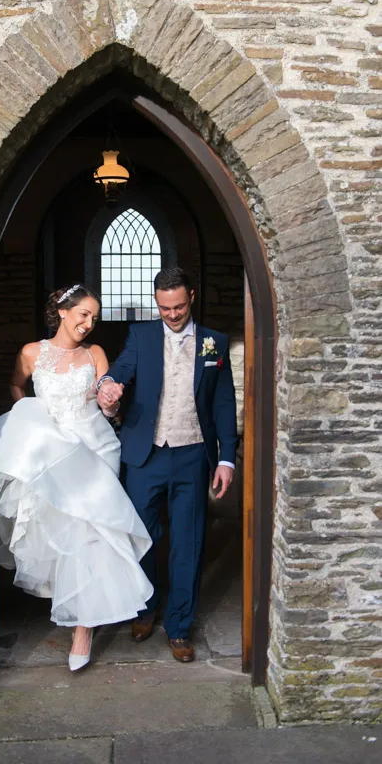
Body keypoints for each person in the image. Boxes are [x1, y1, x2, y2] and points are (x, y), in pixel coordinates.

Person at [0, 284, 153, 672]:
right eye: (83, 314)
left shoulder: (95, 354)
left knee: (92, 534)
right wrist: (31, 418)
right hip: (53, 452)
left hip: (95, 448)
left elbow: (106, 400)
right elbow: (15, 385)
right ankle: (79, 604)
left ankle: (83, 628)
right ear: (62, 311)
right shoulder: (32, 353)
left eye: (94, 318)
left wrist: (111, 401)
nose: (89, 323)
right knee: (65, 532)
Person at [97, 268, 237, 663]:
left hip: (193, 455)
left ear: (191, 296)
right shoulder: (141, 336)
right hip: (147, 454)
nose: (172, 314)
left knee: (189, 542)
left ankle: (178, 627)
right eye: (164, 308)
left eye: (178, 306)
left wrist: (226, 458)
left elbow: (224, 403)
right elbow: (120, 370)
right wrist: (107, 384)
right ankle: (145, 609)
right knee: (141, 536)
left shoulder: (214, 342)